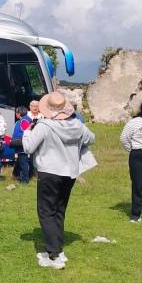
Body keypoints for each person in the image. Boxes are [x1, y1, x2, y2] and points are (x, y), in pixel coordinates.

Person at [13, 92, 96, 269]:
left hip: (50, 171)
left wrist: (28, 131)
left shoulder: (45, 125)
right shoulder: (77, 124)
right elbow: (91, 138)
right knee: (59, 209)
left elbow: (28, 147)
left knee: (46, 211)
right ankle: (58, 248)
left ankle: (54, 255)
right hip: (70, 172)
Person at [11, 106, 33, 185]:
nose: (15, 114)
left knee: (23, 163)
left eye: (16, 112)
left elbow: (26, 132)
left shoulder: (24, 121)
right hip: (22, 145)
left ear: (19, 113)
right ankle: (19, 177)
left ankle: (24, 180)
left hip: (22, 145)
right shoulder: (25, 120)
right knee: (21, 162)